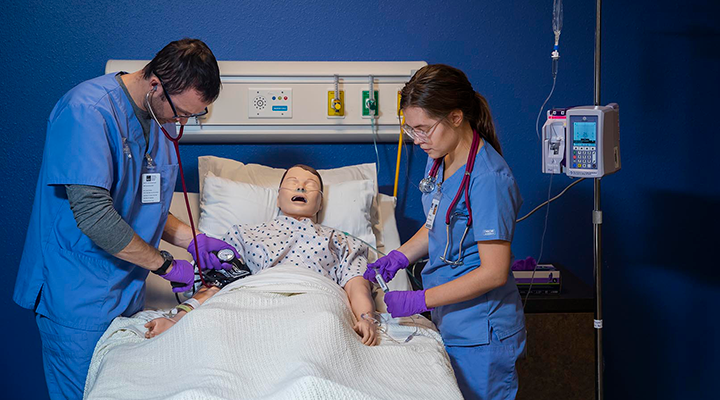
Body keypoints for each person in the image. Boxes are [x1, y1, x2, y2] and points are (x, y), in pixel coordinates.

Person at [12, 39, 237, 400]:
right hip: (76, 294)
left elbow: (139, 201)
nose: (181, 122)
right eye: (181, 112)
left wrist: (190, 240)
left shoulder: (154, 119)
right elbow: (95, 213)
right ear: (155, 86)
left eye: (193, 117)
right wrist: (165, 266)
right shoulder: (87, 111)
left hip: (124, 295)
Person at [364, 64, 526, 400]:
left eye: (423, 129)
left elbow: (494, 273)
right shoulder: (441, 156)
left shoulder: (489, 180)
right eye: (411, 130)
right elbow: (437, 223)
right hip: (450, 319)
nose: (418, 140)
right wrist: (397, 256)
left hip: (481, 332)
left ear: (455, 116)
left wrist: (418, 299)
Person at [145, 165, 379, 346]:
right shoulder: (243, 235)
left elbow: (356, 286)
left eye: (310, 185)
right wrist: (177, 319)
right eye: (293, 183)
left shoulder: (341, 241)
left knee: (324, 326)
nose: (301, 188)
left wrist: (366, 318)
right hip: (248, 302)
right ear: (278, 198)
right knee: (216, 327)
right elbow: (216, 284)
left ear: (320, 203)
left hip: (314, 302)